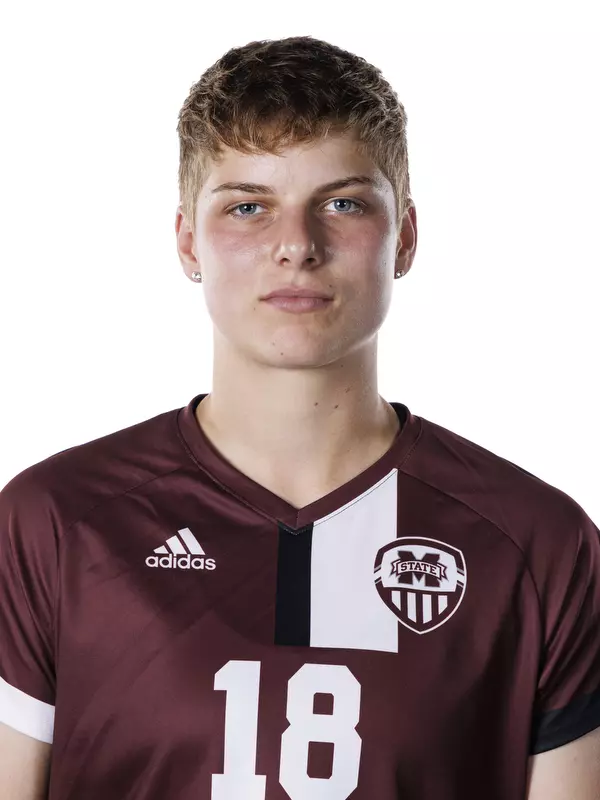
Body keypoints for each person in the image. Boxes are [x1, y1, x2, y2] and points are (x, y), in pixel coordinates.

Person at [1, 34, 599, 800]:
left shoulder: (536, 546)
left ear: (406, 237)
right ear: (187, 241)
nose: (296, 246)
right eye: (248, 207)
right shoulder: (56, 523)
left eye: (342, 203)